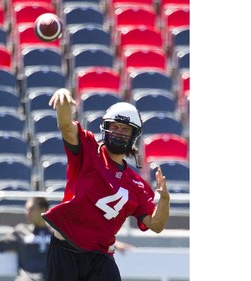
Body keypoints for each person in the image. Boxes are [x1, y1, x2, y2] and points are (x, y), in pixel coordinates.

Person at [41, 88, 171, 281]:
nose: (119, 133)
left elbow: (156, 225)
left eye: (125, 129)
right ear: (105, 128)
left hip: (100, 258)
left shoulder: (138, 184)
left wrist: (165, 200)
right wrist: (62, 97)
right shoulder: (89, 150)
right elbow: (66, 126)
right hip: (64, 250)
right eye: (115, 127)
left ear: (133, 135)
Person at [0, 197, 52, 281]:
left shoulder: (56, 234)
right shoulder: (21, 231)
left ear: (43, 210)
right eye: (27, 209)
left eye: (31, 209)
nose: (27, 213)